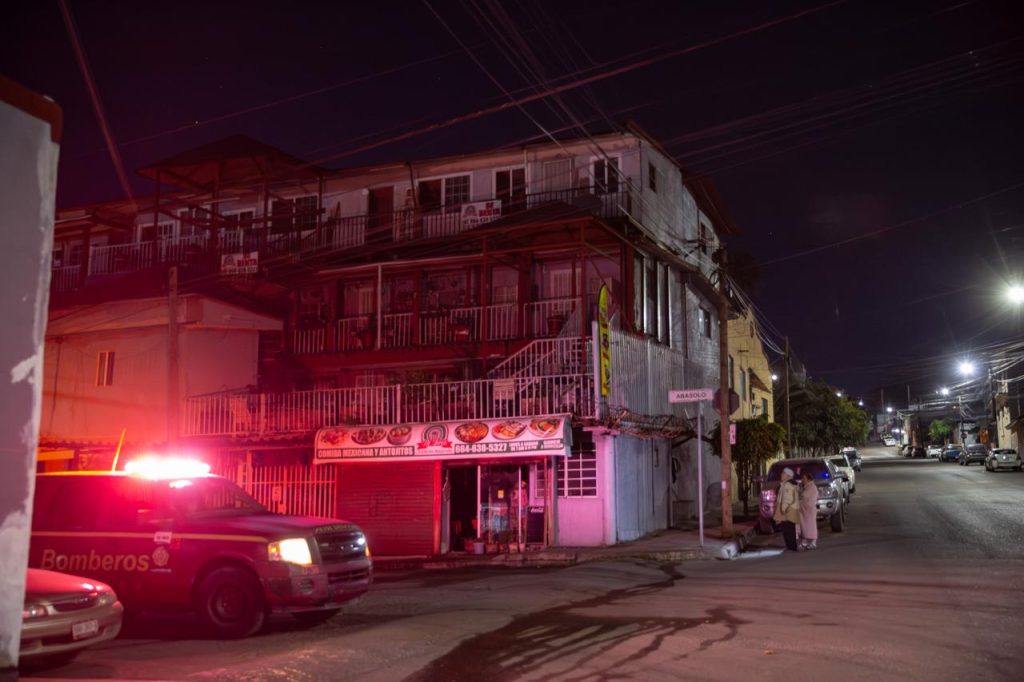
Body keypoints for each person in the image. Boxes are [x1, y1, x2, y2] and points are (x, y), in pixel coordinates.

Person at [773, 467, 801, 551]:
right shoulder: (789, 484)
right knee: (790, 528)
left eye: (783, 473)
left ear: (788, 475)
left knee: (787, 529)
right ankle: (791, 546)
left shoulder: (787, 485)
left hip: (788, 510)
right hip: (791, 509)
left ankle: (791, 546)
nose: (781, 475)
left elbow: (787, 498)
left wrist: (783, 508)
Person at [798, 471, 819, 550]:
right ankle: (804, 542)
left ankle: (813, 542)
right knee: (803, 527)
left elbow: (805, 496)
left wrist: (800, 495)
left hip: (809, 510)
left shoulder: (812, 487)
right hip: (803, 510)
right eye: (802, 478)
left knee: (811, 526)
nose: (802, 480)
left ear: (809, 479)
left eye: (804, 478)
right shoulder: (805, 487)